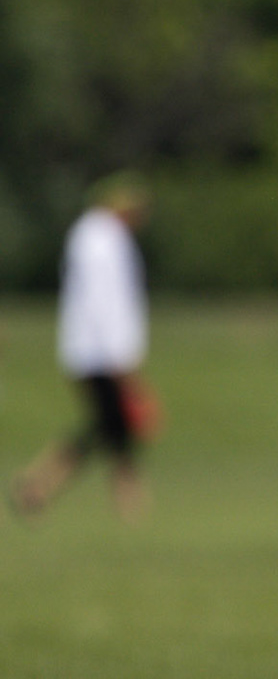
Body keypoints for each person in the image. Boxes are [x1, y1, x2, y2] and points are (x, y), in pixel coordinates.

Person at [8, 173, 153, 523]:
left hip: (93, 348)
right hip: (98, 351)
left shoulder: (95, 237)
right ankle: (40, 484)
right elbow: (106, 302)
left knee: (111, 426)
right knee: (110, 424)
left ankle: (43, 485)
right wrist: (121, 354)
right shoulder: (102, 241)